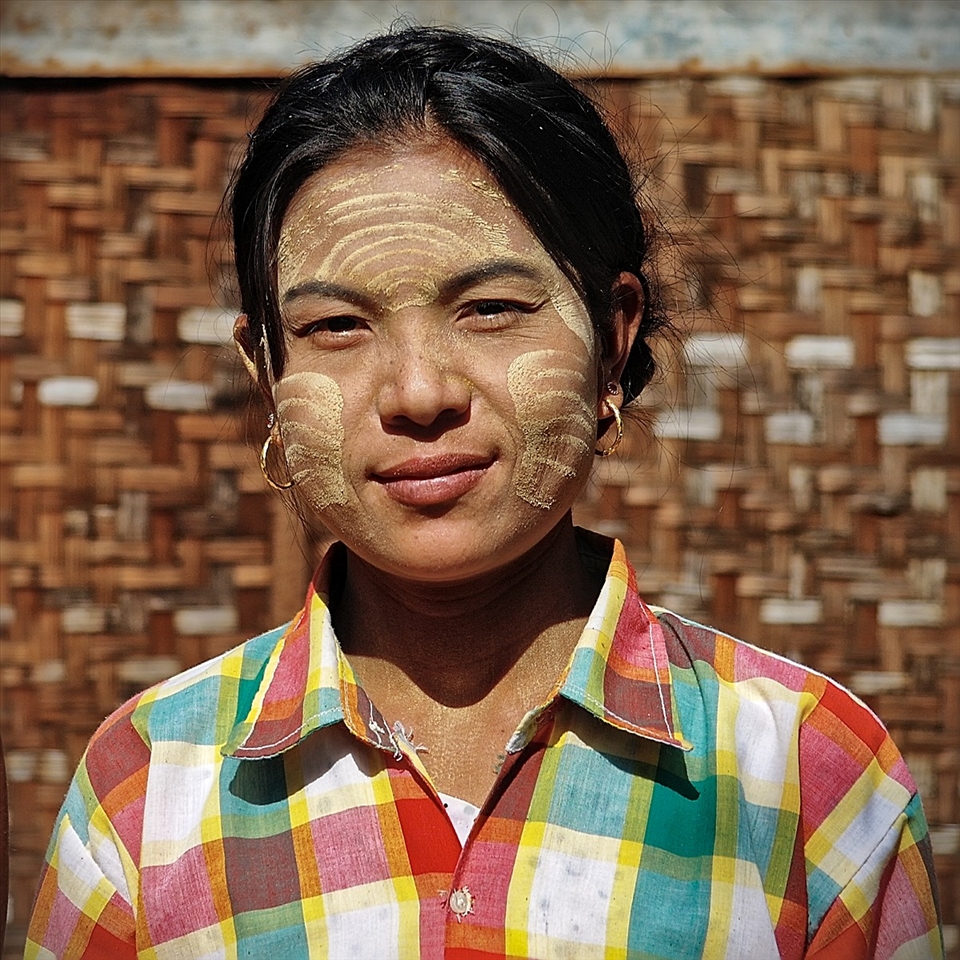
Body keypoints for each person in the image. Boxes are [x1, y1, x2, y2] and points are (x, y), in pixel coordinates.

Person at [26, 25, 942, 960]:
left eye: (492, 309)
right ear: (266, 369)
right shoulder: (146, 792)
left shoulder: (805, 777)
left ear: (613, 337)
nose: (420, 394)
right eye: (336, 325)